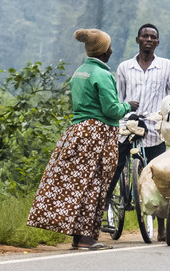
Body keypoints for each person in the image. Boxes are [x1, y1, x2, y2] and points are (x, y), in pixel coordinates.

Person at [28, 28, 137, 250]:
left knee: (80, 184)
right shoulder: (103, 75)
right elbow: (111, 109)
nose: (112, 50)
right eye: (110, 46)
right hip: (98, 134)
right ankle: (88, 238)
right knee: (96, 184)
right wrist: (129, 106)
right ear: (105, 51)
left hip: (78, 131)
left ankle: (78, 236)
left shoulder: (80, 72)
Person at [113, 22, 170, 182]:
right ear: (137, 40)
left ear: (157, 42)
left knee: (159, 173)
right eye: (145, 36)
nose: (149, 39)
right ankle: (106, 200)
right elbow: (119, 98)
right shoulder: (125, 68)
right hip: (128, 127)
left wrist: (168, 114)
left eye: (153, 37)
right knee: (115, 165)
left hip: (154, 127)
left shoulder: (166, 66)